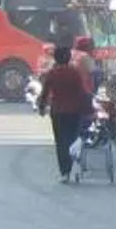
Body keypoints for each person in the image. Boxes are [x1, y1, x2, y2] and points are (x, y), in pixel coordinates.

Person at [38, 36, 95, 182]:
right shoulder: (74, 73)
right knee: (72, 139)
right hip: (74, 112)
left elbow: (45, 92)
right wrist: (89, 109)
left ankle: (65, 172)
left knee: (60, 142)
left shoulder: (52, 73)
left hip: (57, 112)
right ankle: (74, 167)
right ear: (68, 57)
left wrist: (41, 107)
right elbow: (82, 92)